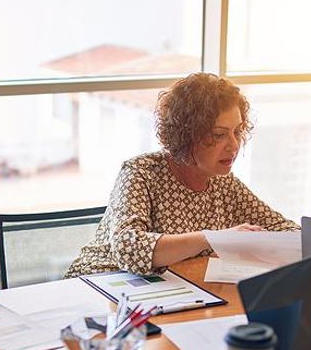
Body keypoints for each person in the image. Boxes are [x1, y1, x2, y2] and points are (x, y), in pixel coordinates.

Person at [65, 72, 297, 278]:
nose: (233, 145)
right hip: (98, 287)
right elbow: (128, 248)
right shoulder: (141, 172)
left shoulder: (225, 184)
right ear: (187, 135)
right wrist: (215, 237)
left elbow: (285, 230)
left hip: (167, 293)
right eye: (219, 134)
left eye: (237, 132)